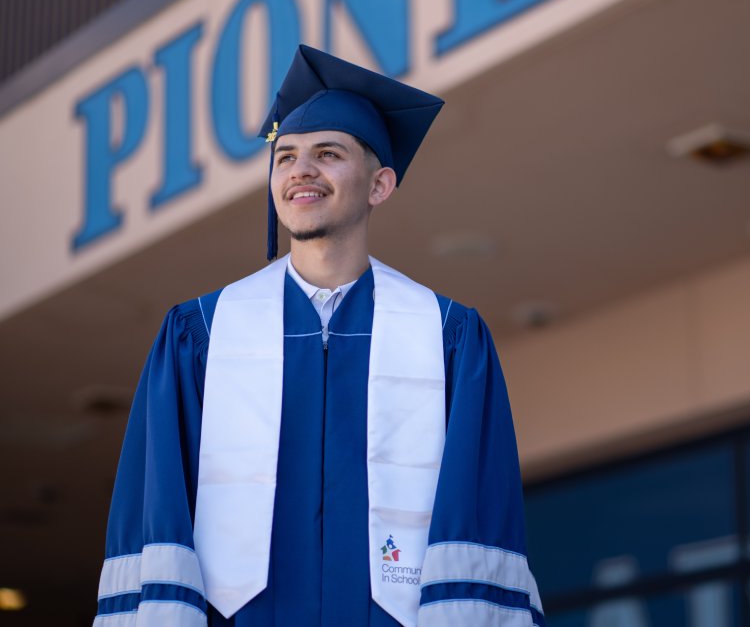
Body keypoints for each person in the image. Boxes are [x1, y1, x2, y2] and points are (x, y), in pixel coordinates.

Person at [93, 45, 544, 627]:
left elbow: (479, 512)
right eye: (285, 158)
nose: (300, 171)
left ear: (380, 185)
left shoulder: (448, 335)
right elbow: (155, 510)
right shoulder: (200, 334)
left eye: (327, 154)